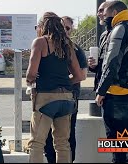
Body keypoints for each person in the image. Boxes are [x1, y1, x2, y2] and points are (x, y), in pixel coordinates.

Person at [26, 11, 84, 163]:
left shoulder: (40, 42)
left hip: (46, 98)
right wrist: (63, 83)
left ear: (43, 26)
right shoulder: (68, 45)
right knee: (62, 143)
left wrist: (32, 80)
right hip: (66, 99)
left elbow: (31, 74)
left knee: (36, 143)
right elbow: (79, 76)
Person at [95, 0, 128, 163]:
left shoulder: (119, 29)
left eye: (107, 13)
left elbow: (112, 63)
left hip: (116, 93)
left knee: (115, 140)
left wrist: (101, 91)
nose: (104, 16)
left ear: (115, 13)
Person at [43, 16, 88, 163]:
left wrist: (61, 84)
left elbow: (82, 75)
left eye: (67, 28)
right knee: (48, 134)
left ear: (71, 30)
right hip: (49, 97)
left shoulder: (74, 49)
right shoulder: (47, 45)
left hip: (69, 97)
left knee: (67, 135)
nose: (64, 31)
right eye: (61, 27)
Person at [88, 1, 112, 91]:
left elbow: (114, 63)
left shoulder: (121, 31)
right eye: (98, 11)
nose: (98, 14)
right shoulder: (104, 35)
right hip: (102, 87)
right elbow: (104, 64)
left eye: (101, 10)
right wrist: (93, 66)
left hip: (114, 89)